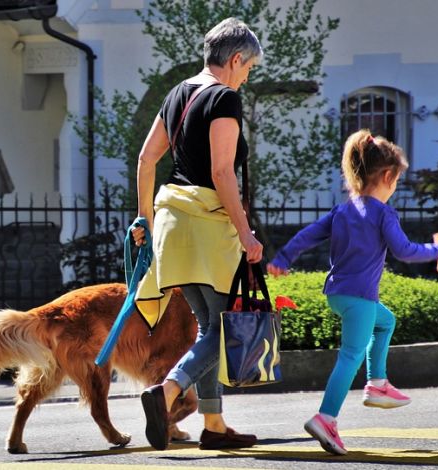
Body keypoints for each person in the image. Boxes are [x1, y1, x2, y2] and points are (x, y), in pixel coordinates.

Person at [267, 129, 438, 455]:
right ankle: (326, 418)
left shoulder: (342, 210)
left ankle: (377, 383)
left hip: (337, 295)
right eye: (396, 180)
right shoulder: (383, 213)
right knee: (350, 356)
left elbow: (308, 234)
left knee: (386, 322)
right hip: (360, 299)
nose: (395, 186)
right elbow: (405, 250)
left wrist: (283, 258)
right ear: (387, 176)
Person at [128, 17, 264, 451]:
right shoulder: (224, 98)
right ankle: (166, 392)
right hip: (207, 223)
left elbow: (147, 160)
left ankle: (215, 426)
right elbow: (222, 172)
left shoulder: (177, 94)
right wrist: (246, 233)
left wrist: (144, 219)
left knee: (209, 326)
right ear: (236, 58)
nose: (247, 76)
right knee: (224, 330)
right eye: (249, 68)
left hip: (172, 223)